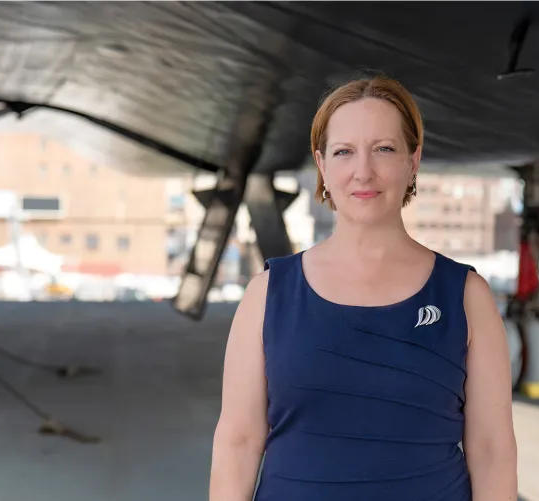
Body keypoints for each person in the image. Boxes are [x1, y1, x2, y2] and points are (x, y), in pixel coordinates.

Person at [209, 75, 518, 501]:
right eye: (344, 152)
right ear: (322, 165)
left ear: (414, 160)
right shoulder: (268, 294)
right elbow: (238, 443)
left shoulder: (466, 296)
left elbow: (492, 452)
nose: (363, 172)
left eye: (384, 149)